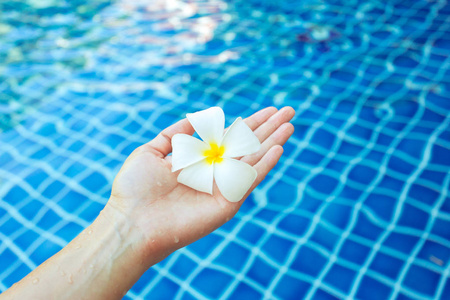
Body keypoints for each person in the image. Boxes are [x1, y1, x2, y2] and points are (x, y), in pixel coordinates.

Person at [0, 106, 295, 299]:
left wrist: (127, 225)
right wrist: (128, 222)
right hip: (211, 159)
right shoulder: (191, 161)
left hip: (212, 158)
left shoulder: (194, 155)